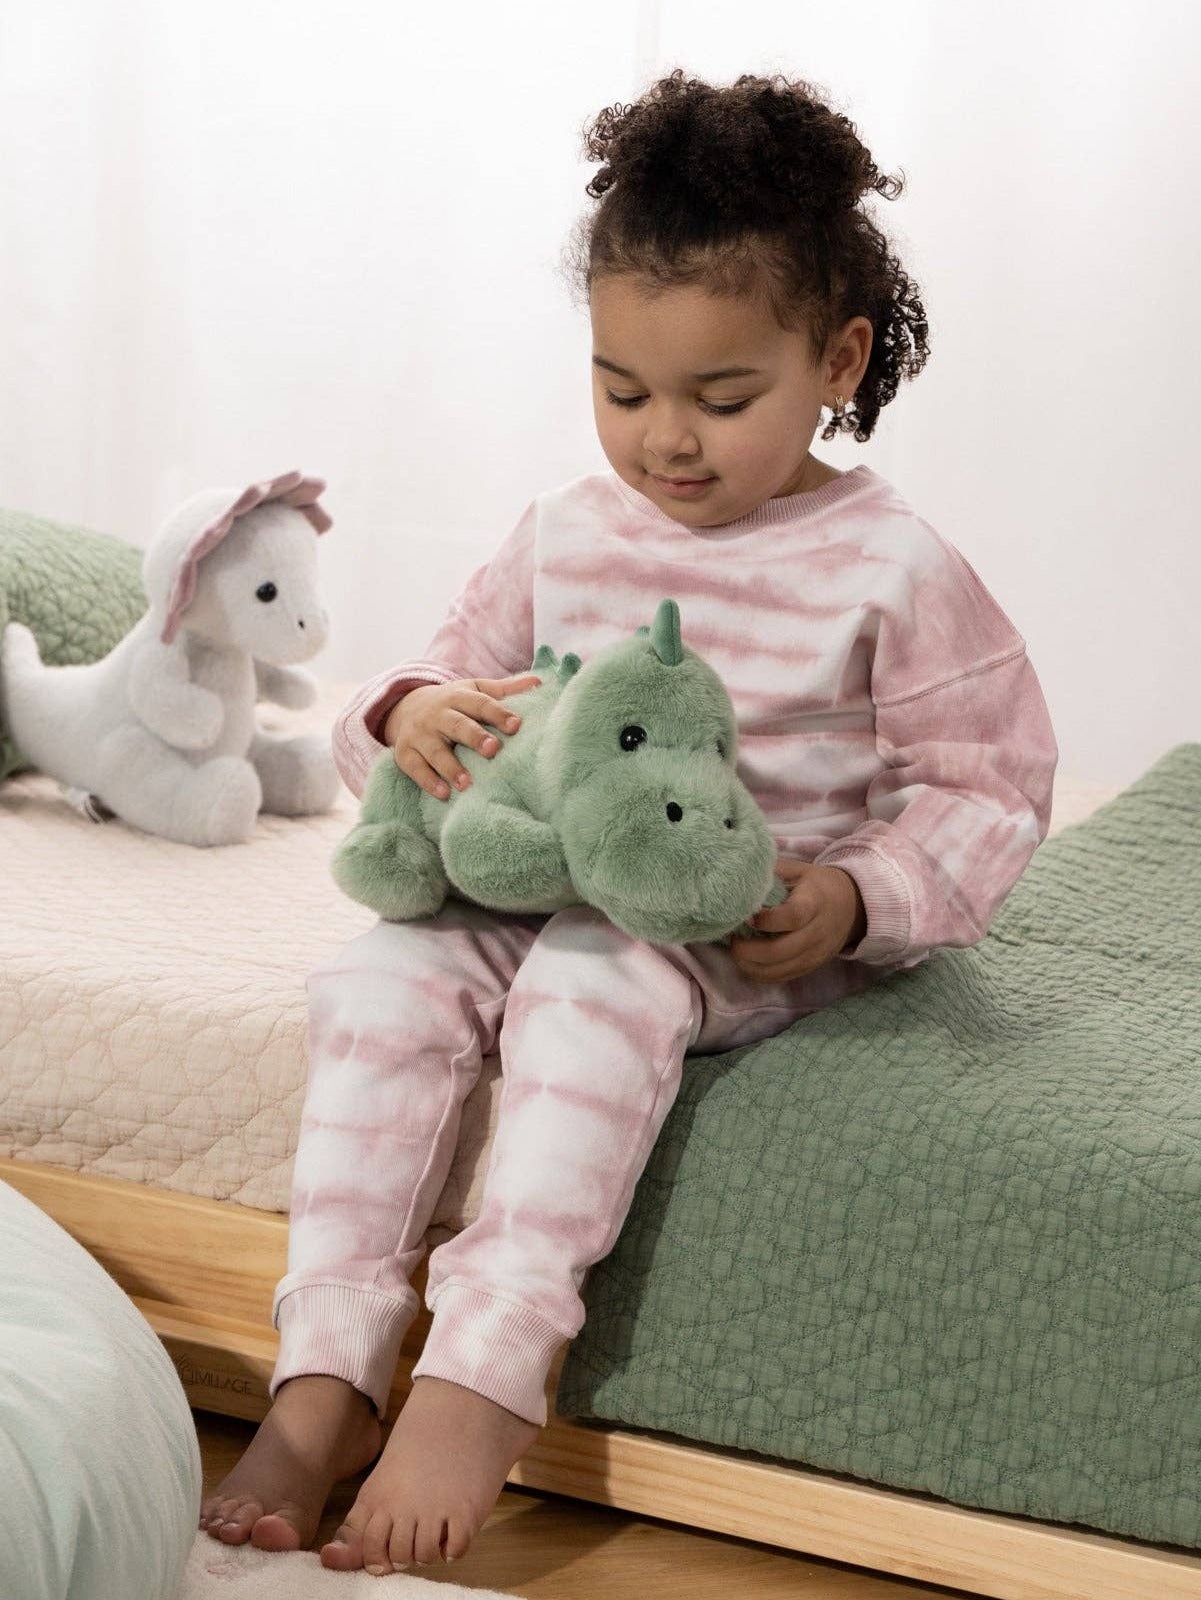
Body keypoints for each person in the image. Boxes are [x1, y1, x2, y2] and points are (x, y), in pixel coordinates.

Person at [201, 66, 1057, 1576]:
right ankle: (325, 1374)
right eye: (623, 390)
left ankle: (480, 1379)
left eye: (723, 401)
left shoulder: (891, 563)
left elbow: (990, 786)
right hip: (531, 879)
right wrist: (409, 718)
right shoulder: (565, 531)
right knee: (380, 979)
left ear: (837, 359)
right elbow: (411, 697)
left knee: (593, 987)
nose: (668, 440)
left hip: (734, 921)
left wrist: (856, 899)